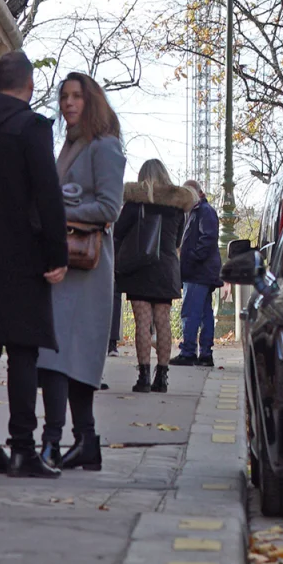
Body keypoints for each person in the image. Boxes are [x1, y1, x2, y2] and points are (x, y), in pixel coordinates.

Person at [0, 52, 68, 479]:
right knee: (23, 353)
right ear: (29, 86)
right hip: (21, 257)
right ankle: (22, 449)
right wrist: (57, 256)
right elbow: (48, 197)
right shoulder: (31, 129)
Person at [38, 73, 125, 471]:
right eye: (64, 96)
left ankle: (58, 442)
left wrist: (58, 212)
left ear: (91, 102)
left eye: (76, 96)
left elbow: (109, 208)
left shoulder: (104, 147)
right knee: (58, 354)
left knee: (69, 355)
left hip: (87, 266)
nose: (69, 103)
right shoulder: (71, 145)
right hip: (65, 262)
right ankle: (80, 441)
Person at [114, 161, 194, 392]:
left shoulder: (135, 203)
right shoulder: (178, 206)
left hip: (139, 268)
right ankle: (163, 378)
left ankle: (143, 378)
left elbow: (118, 233)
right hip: (166, 268)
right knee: (163, 322)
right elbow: (178, 240)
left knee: (143, 323)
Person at [170, 180, 223, 368]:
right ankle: (205, 354)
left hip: (198, 271)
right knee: (204, 313)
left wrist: (190, 257)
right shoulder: (201, 211)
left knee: (191, 312)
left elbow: (207, 239)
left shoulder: (202, 212)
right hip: (203, 271)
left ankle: (189, 351)